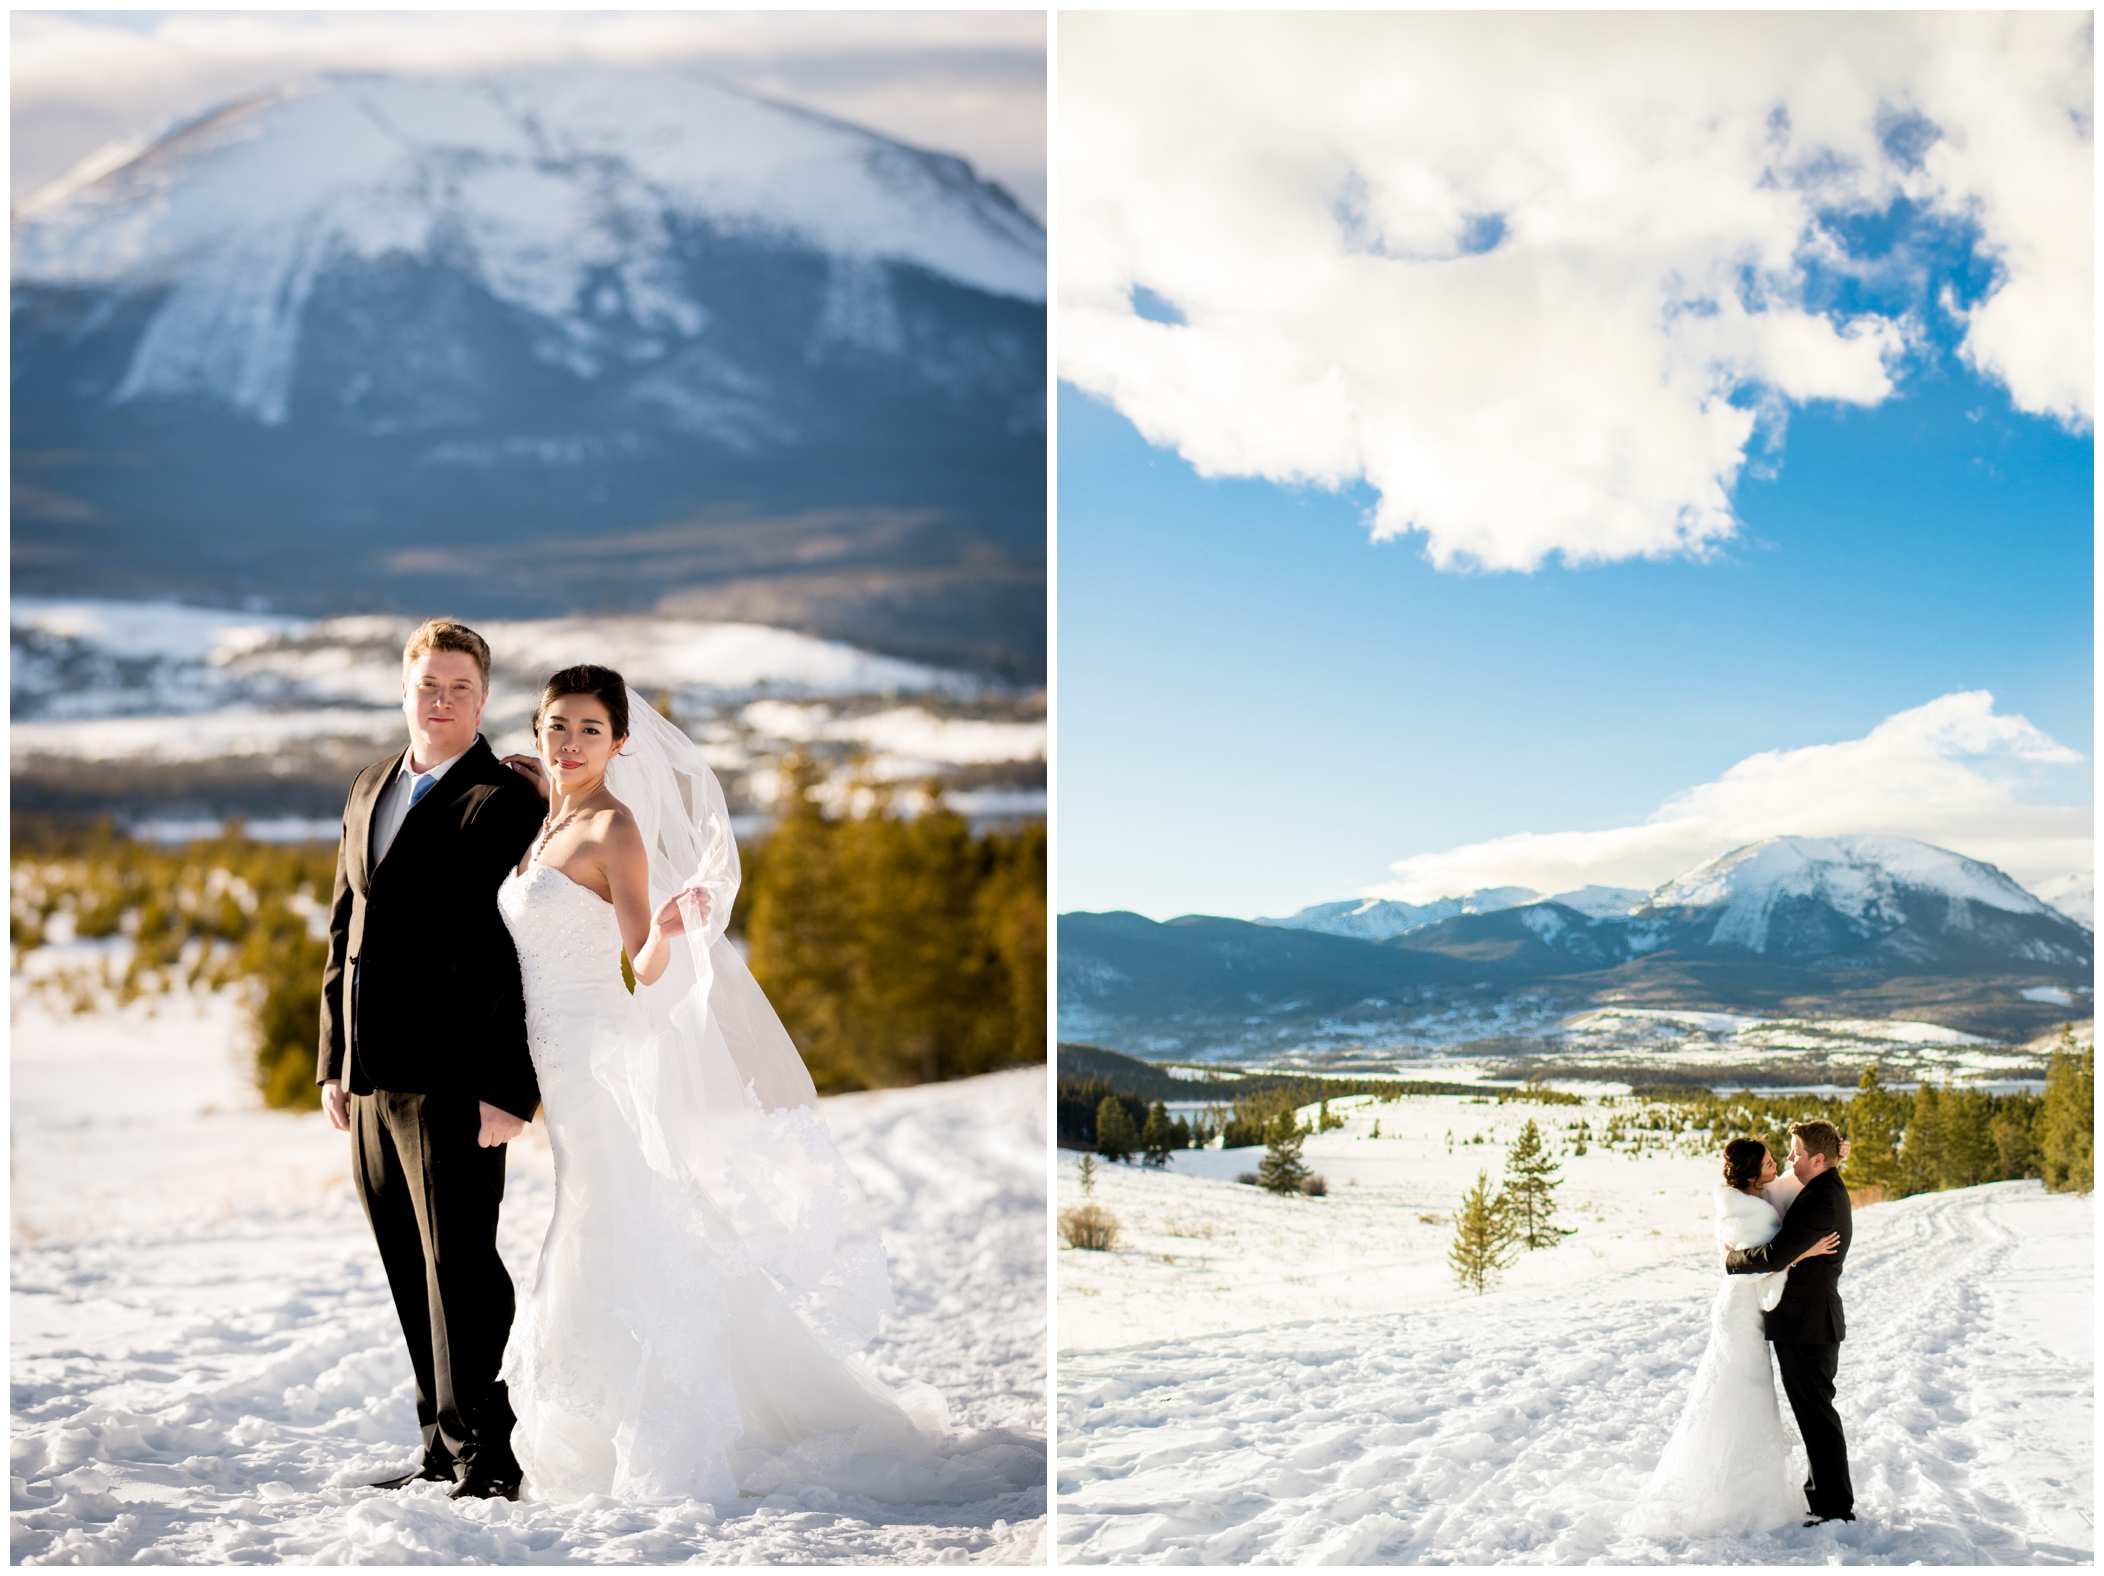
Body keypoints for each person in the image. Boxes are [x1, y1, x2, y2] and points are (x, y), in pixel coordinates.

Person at [493, 664, 949, 1502]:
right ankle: (607, 1405)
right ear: (536, 732)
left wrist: (669, 927)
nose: (570, 743)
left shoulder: (612, 829)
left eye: (591, 730)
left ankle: (643, 1420)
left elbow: (642, 958)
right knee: (602, 1213)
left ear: (620, 743)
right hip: (552, 1055)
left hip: (594, 1058)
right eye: (557, 726)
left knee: (602, 1220)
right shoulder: (546, 818)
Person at [317, 618, 546, 1500]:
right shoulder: (370, 785)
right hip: (371, 1078)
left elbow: (519, 958)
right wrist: (335, 1059)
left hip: (459, 1080)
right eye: (427, 685)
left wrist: (510, 1090)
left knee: (464, 1271)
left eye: (459, 688)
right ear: (404, 690)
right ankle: (439, 1449)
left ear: (483, 700)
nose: (441, 700)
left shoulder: (505, 800)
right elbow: (347, 929)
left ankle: (490, 1459)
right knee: (406, 1261)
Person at [1623, 1137, 1841, 1538]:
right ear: (1752, 1173)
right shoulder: (1746, 1213)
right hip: (1741, 1316)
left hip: (1750, 1315)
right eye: (1771, 1161)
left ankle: (1750, 1489)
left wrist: (1838, 1153)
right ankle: (1730, 1494)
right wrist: (1804, 1253)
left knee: (1750, 1396)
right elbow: (1759, 1264)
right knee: (1740, 1395)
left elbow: (1797, 1180)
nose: (1778, 1164)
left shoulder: (1754, 1194)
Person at [1722, 1120, 1857, 1525]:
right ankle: (1823, 1499)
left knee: (1816, 1417)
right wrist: (1836, 1152)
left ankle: (1834, 1509)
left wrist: (1731, 1260)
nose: (1788, 1159)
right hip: (1805, 1322)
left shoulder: (1820, 1200)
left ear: (1817, 1160)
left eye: (1796, 1153)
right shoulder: (1820, 1184)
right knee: (1814, 1415)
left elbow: (1776, 1256)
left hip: (1808, 1325)